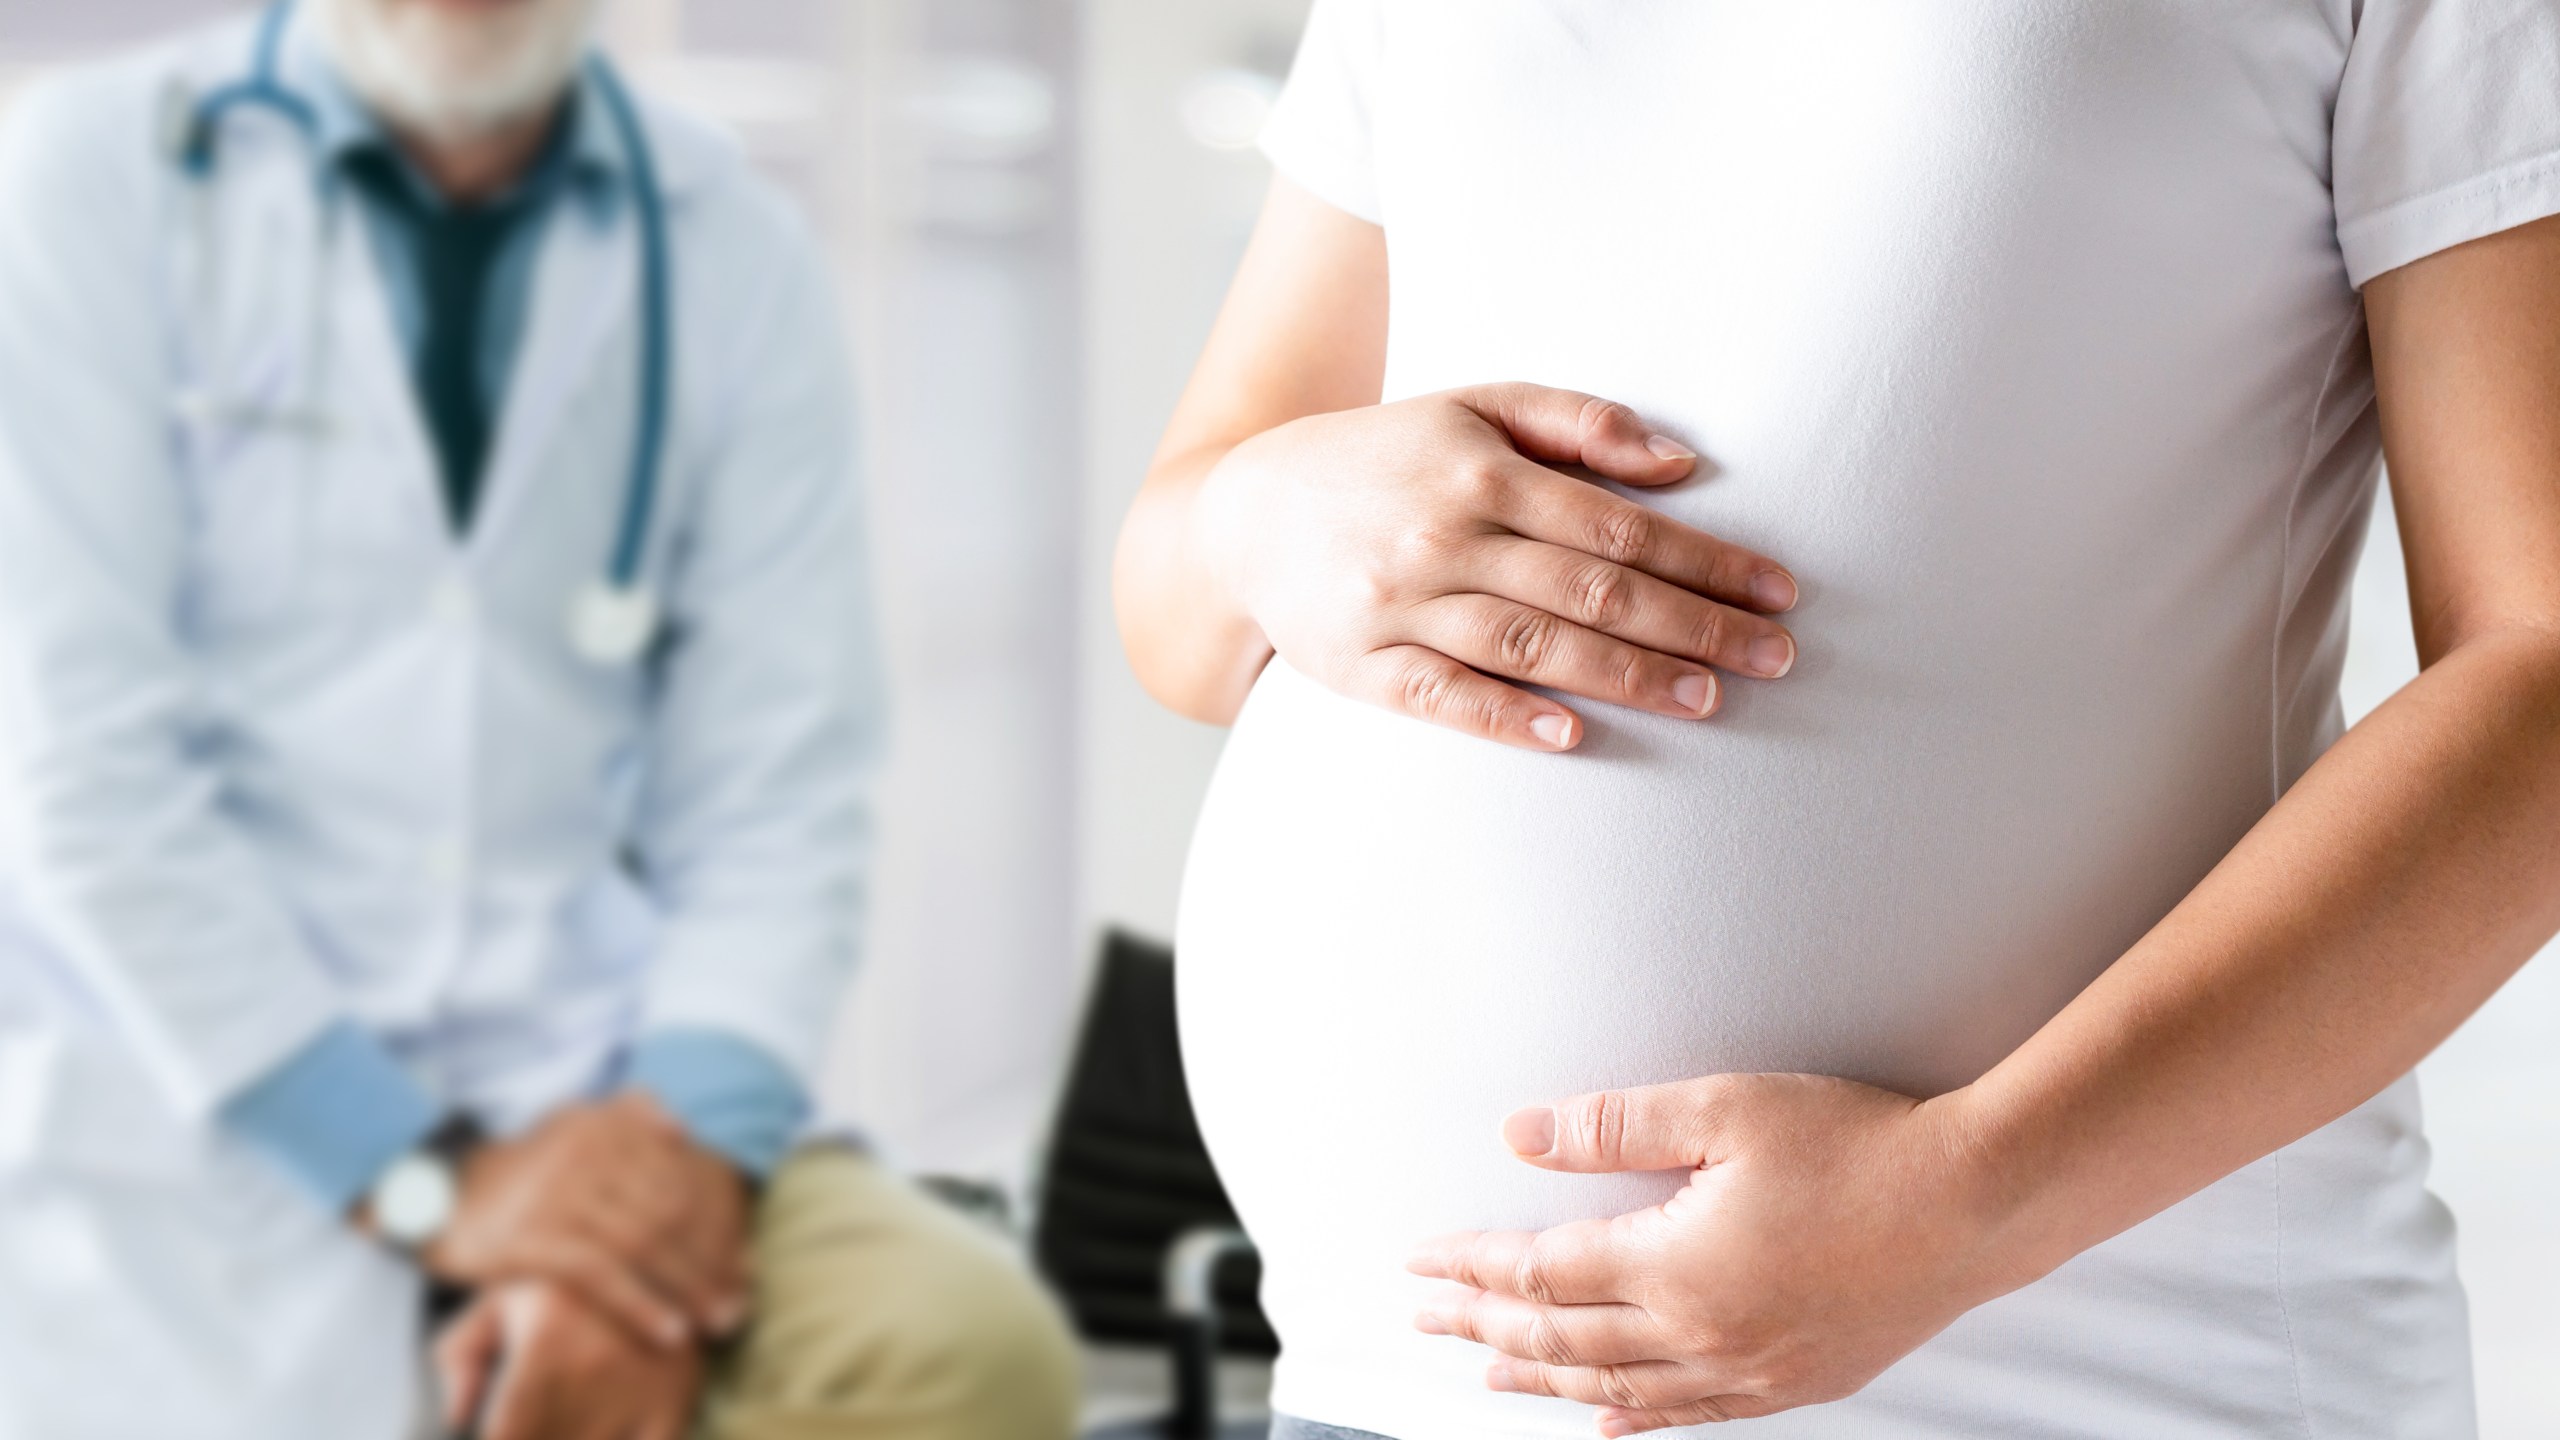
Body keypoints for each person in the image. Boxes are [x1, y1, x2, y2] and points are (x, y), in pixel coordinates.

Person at [1117, 1, 2560, 1436]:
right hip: (1390, 1378)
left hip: (2092, 1383)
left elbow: (2541, 669)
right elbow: (1180, 611)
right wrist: (1259, 515)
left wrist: (1972, 1195)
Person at [0, 2, 1079, 1438]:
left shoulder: (724, 244)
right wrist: (432, 1186)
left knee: (949, 1344)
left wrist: (665, 1187)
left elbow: (778, 791)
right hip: (175, 1095)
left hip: (591, 1081)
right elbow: (78, 771)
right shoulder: (91, 175)